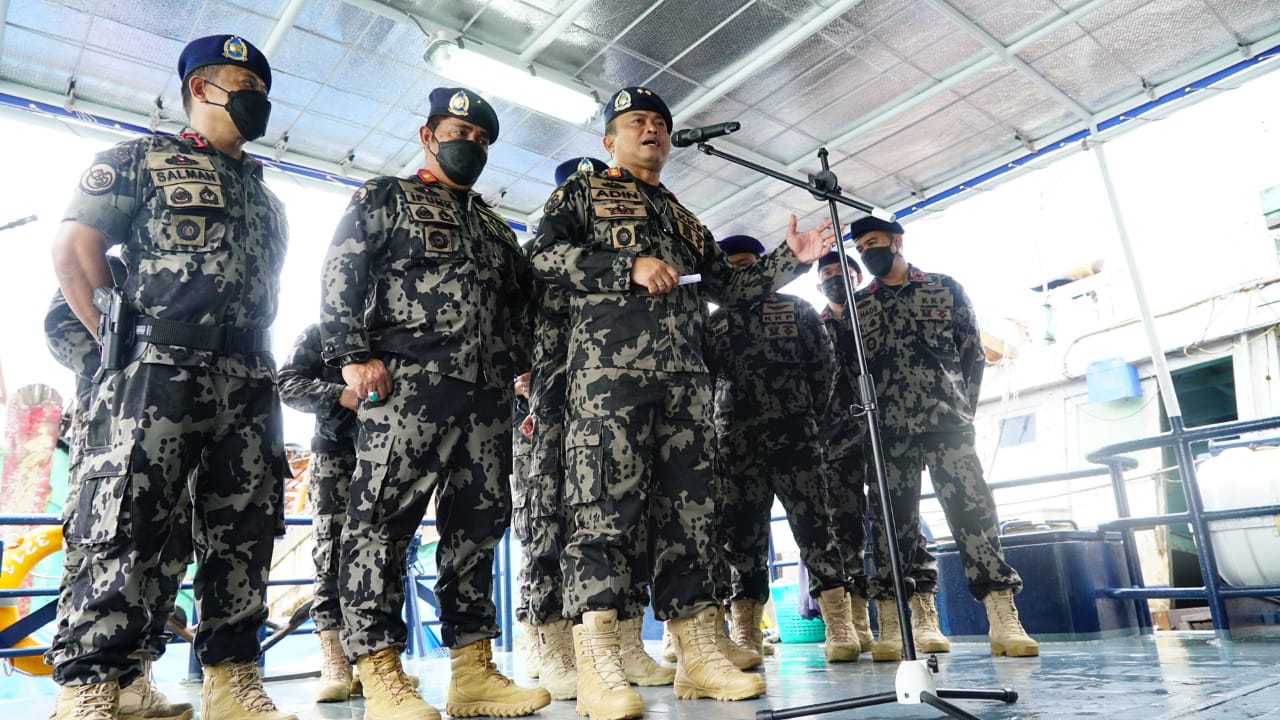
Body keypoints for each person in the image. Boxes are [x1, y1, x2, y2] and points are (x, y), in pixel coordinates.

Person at [529, 85, 834, 720]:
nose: (651, 130)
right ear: (610, 140)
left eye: (660, 123)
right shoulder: (583, 193)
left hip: (687, 388)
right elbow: (543, 256)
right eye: (636, 121)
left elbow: (732, 286)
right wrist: (626, 265)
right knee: (603, 513)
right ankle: (600, 665)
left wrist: (791, 261)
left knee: (690, 517)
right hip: (609, 382)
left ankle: (698, 654)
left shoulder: (685, 217)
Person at [48, 34, 294, 720]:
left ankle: (228, 679)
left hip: (248, 376)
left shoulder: (266, 198)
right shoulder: (140, 160)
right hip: (156, 371)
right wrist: (115, 348)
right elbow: (74, 248)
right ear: (198, 91)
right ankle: (95, 683)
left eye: (263, 91)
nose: (257, 100)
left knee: (243, 529)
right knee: (125, 520)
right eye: (240, 86)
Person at [318, 86, 549, 720]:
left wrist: (523, 364)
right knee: (381, 526)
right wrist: (350, 354)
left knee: (477, 526)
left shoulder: (497, 227)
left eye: (479, 140)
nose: (468, 145)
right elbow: (343, 271)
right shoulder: (386, 197)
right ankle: (380, 671)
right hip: (406, 388)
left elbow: (528, 301)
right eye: (457, 133)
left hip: (485, 396)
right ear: (428, 136)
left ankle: (472, 672)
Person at [848, 216, 1039, 661]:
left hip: (947, 425)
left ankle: (1002, 617)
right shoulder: (859, 307)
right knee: (893, 529)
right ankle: (902, 622)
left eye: (873, 243)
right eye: (861, 248)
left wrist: (960, 410)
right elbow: (851, 373)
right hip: (888, 434)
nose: (868, 252)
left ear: (897, 242)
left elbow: (972, 355)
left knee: (974, 517)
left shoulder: (943, 288)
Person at [523, 156, 675, 705]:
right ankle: (556, 645)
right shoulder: (549, 253)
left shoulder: (621, 251)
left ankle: (624, 640)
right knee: (549, 516)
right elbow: (510, 317)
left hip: (609, 392)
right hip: (551, 398)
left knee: (620, 509)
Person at [43, 260, 195, 720]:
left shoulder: (183, 280)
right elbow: (60, 325)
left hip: (177, 432)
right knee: (100, 556)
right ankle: (82, 686)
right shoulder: (110, 267)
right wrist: (122, 376)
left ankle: (132, 681)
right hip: (111, 439)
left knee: (166, 559)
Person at [706, 236, 861, 663]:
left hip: (796, 442)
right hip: (736, 448)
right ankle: (746, 633)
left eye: (748, 264)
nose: (741, 271)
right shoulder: (714, 324)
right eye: (733, 265)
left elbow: (823, 370)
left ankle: (839, 626)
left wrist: (802, 415)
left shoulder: (798, 310)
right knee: (742, 542)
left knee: (816, 531)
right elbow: (703, 385)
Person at [276, 324, 361, 702]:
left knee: (386, 555)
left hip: (391, 454)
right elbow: (286, 382)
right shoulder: (321, 333)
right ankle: (335, 660)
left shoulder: (397, 330)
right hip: (335, 454)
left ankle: (380, 659)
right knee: (331, 554)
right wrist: (338, 395)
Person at [815, 251, 875, 654]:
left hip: (883, 434)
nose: (835, 278)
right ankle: (854, 623)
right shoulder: (812, 325)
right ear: (819, 285)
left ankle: (898, 616)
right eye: (827, 274)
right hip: (834, 440)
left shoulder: (878, 312)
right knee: (843, 531)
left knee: (895, 525)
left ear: (856, 275)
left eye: (842, 271)